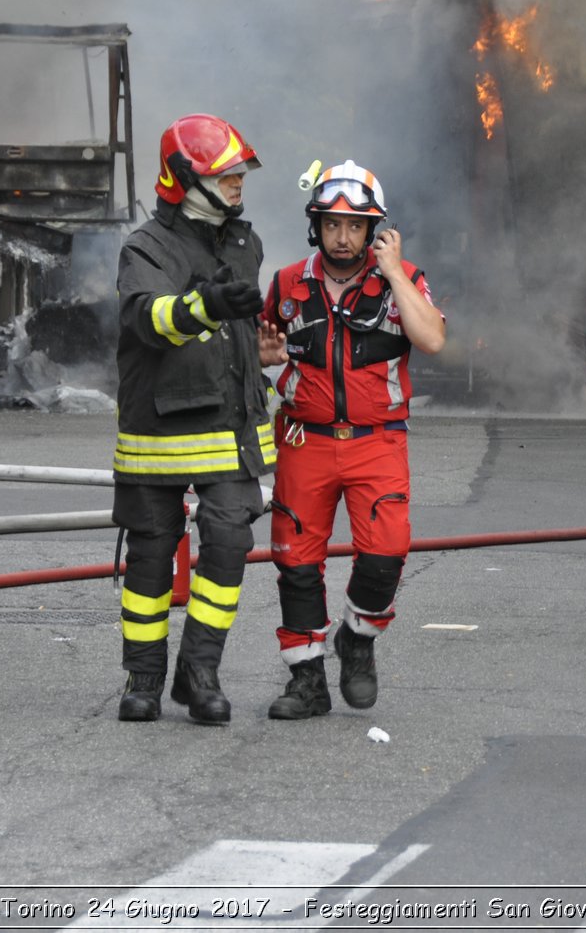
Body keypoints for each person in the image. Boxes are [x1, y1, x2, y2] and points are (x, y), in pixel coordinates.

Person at [111, 114, 284, 723]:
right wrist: (206, 304)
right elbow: (147, 319)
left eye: (240, 171)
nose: (239, 181)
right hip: (158, 432)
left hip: (232, 429)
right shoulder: (145, 247)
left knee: (231, 540)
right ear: (183, 177)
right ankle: (143, 678)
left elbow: (233, 335)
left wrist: (257, 352)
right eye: (225, 172)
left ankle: (199, 670)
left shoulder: (245, 243)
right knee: (152, 556)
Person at [261, 160, 446, 719]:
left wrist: (391, 273)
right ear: (315, 225)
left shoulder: (405, 279)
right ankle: (307, 682)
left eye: (356, 226)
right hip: (303, 439)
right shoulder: (287, 283)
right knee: (295, 560)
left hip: (377, 439)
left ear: (375, 230)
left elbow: (432, 340)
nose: (344, 237)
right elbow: (259, 350)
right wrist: (261, 358)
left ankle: (357, 640)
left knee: (387, 549)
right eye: (333, 224)